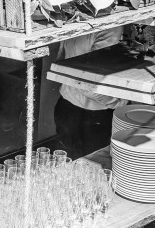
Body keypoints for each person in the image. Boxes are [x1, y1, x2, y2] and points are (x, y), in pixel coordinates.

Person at [53, 27, 127, 158]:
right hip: (94, 116)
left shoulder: (76, 21)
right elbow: (89, 86)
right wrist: (119, 103)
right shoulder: (111, 28)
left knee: (67, 163)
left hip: (66, 106)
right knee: (94, 166)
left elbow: (60, 59)